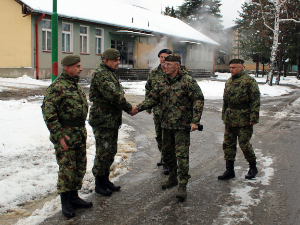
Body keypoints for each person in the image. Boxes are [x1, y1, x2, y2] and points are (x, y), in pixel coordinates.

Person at [134, 54, 204, 200]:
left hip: (181, 127)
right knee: (166, 154)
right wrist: (137, 108)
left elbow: (198, 99)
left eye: (169, 64)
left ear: (177, 66)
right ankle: (173, 177)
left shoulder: (187, 81)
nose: (165, 67)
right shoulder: (161, 82)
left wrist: (195, 121)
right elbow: (152, 98)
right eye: (164, 64)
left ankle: (183, 185)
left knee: (182, 156)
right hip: (165, 125)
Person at [41, 55, 93, 218]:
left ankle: (74, 197)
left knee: (79, 167)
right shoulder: (57, 87)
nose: (80, 68)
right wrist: (58, 135)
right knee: (67, 168)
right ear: (67, 68)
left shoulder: (75, 85)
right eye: (77, 66)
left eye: (80, 66)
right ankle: (66, 202)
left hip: (78, 133)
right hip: (65, 135)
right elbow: (49, 113)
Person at [89, 48, 137, 196]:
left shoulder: (109, 73)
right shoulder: (101, 74)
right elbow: (114, 96)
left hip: (110, 120)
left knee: (110, 152)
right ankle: (99, 183)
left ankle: (105, 179)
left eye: (118, 59)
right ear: (106, 60)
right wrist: (129, 108)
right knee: (103, 152)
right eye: (115, 60)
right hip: (102, 120)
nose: (118, 63)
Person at [218, 59, 260, 180]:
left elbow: (256, 100)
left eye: (234, 67)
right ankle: (229, 170)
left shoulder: (249, 81)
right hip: (230, 118)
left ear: (241, 67)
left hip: (244, 118)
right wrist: (224, 115)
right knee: (228, 144)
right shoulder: (229, 81)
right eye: (230, 67)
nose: (231, 70)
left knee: (244, 144)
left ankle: (253, 167)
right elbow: (225, 100)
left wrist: (254, 117)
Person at [145, 48, 173, 175]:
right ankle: (164, 156)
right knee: (159, 136)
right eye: (161, 57)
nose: (163, 59)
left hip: (172, 111)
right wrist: (148, 106)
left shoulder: (174, 72)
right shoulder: (154, 73)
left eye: (166, 57)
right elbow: (148, 89)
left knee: (168, 137)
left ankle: (168, 162)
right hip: (158, 111)